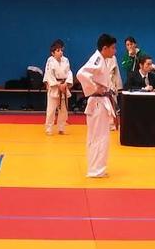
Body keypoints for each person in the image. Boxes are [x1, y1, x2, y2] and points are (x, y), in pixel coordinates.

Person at [77, 33, 118, 179]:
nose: (115, 51)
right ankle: (95, 170)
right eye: (113, 48)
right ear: (105, 48)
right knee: (98, 137)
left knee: (101, 137)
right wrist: (95, 88)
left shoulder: (102, 59)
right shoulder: (97, 59)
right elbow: (81, 74)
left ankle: (98, 168)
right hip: (97, 103)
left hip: (101, 102)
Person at [43, 39, 73, 134]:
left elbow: (69, 72)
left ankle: (61, 128)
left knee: (63, 110)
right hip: (54, 87)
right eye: (58, 50)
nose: (61, 52)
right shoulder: (50, 61)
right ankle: (49, 129)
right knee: (51, 110)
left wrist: (66, 83)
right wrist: (57, 84)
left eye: (61, 50)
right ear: (53, 53)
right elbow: (49, 74)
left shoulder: (66, 60)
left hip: (64, 86)